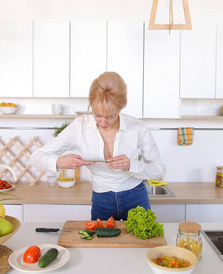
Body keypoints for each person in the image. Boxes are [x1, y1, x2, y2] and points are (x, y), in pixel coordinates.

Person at [30, 72, 166, 220]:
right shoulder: (79, 126)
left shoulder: (138, 128)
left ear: (121, 108)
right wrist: (59, 162)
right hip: (102, 200)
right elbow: (36, 157)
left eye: (110, 116)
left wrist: (130, 165)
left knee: (141, 243)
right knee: (100, 243)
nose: (103, 123)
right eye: (97, 115)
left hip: (136, 196)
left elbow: (159, 170)